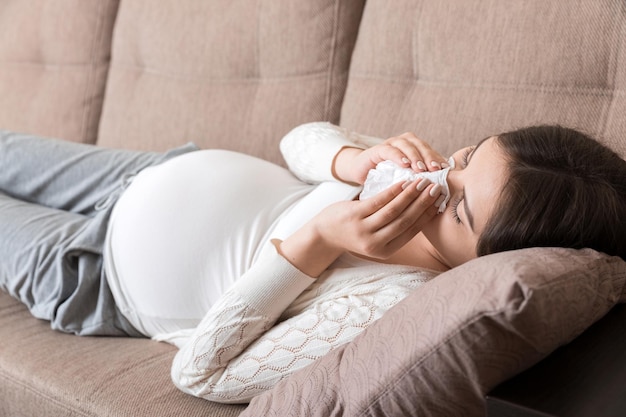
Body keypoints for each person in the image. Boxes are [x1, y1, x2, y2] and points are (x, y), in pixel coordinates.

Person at [0, 122, 624, 403]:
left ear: (490, 260)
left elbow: (199, 375)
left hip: (91, 272)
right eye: (464, 159)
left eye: (460, 210)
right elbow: (297, 140)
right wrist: (353, 158)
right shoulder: (416, 177)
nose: (438, 181)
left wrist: (320, 241)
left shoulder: (388, 304)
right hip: (144, 171)